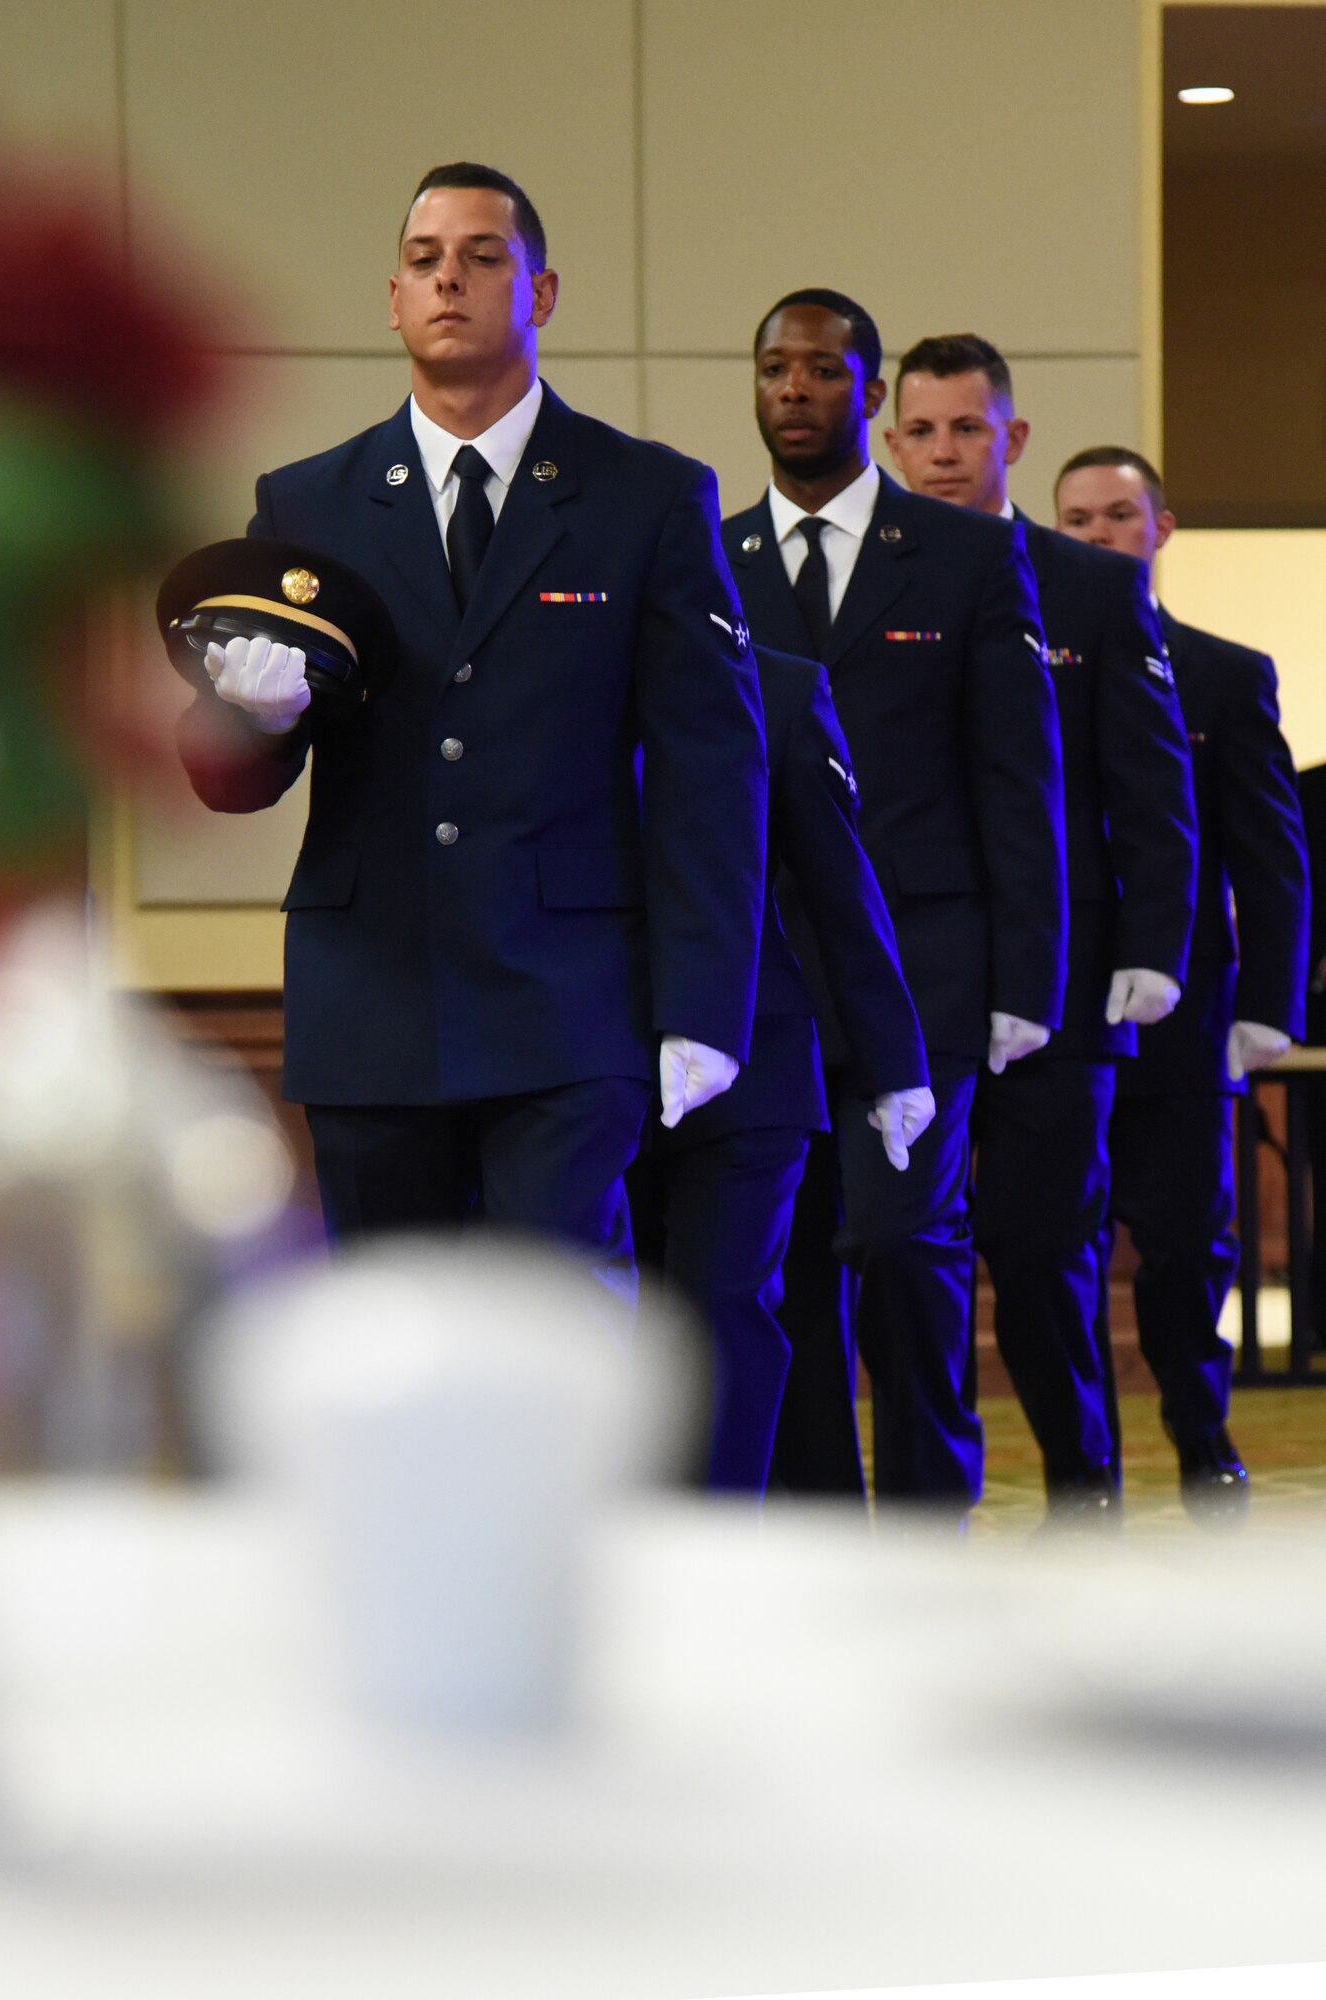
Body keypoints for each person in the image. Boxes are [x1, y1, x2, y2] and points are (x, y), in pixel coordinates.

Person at [174, 164, 768, 1287]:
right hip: (372, 993)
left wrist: (705, 1003)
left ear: (541, 294)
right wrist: (247, 719)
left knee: (557, 1321)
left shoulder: (645, 495)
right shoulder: (310, 503)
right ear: (391, 297)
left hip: (569, 997)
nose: (449, 277)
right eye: (423, 258)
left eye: (483, 255)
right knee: (388, 1334)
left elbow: (711, 763)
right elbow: (235, 776)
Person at [721, 289, 1065, 1516]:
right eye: (774, 369)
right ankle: (816, 1531)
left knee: (897, 1245)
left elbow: (1017, 779)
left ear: (870, 393)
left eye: (822, 370)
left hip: (925, 980)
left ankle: (928, 1520)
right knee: (786, 1265)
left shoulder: (968, 554)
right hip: (763, 985)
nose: (796, 389)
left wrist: (1027, 980)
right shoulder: (713, 558)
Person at [886, 337, 1197, 1521]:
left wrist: (1151, 950)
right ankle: (927, 1518)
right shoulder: (866, 583)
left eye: (968, 430)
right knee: (904, 1267)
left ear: (1009, 441)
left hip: (1060, 1000)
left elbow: (1153, 795)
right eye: (922, 430)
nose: (944, 452)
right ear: (889, 439)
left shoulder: (1088, 587)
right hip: (905, 992)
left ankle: (1086, 1503)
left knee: (1042, 1274)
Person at [1056, 446, 1310, 1519]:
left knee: (1181, 1258)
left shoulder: (1223, 672)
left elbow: (1272, 855)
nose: (1101, 535)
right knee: (1050, 1252)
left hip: (1186, 1024)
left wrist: (1265, 1006)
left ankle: (1201, 1439)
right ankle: (1089, 1469)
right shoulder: (1023, 667)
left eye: (1121, 515)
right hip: (1053, 1014)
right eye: (1078, 520)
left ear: (1160, 529)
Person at [627, 645, 931, 1496]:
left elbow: (842, 884)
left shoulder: (781, 685)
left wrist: (893, 1058)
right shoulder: (542, 673)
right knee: (608, 1321)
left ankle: (715, 1563)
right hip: (581, 1059)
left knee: (726, 1318)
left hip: (755, 1059)